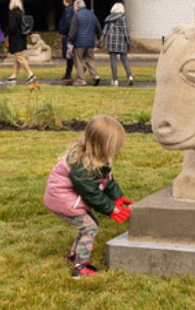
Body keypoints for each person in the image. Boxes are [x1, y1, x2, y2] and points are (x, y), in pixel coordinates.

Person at [43, 115, 133, 279]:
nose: (117, 149)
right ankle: (80, 268)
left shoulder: (96, 157)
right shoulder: (81, 165)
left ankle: (75, 255)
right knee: (89, 227)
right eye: (114, 145)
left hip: (68, 199)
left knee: (91, 224)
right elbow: (91, 193)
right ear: (102, 144)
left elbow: (106, 178)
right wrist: (111, 209)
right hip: (62, 201)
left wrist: (116, 197)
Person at [68, 0, 102, 86]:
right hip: (90, 42)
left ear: (76, 6)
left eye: (74, 7)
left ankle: (81, 80)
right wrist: (99, 39)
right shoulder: (92, 15)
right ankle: (95, 76)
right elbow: (98, 28)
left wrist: (70, 41)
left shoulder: (76, 15)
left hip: (79, 43)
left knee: (78, 60)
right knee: (90, 59)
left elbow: (73, 31)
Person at [100, 2, 134, 86]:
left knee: (113, 61)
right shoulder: (123, 18)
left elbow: (104, 31)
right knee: (125, 60)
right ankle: (130, 76)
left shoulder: (108, 19)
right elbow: (125, 32)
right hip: (121, 42)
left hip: (111, 42)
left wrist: (100, 40)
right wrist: (129, 42)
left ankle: (115, 80)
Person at [5, 0, 36, 84]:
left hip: (15, 38)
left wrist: (6, 33)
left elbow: (12, 26)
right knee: (18, 56)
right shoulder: (21, 13)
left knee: (19, 56)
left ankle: (30, 74)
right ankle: (14, 75)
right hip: (22, 37)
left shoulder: (12, 13)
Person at [59, 0, 75, 80]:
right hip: (70, 34)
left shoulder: (68, 10)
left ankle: (68, 73)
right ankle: (68, 73)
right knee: (70, 54)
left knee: (68, 54)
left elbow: (67, 23)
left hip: (68, 35)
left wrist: (63, 31)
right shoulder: (72, 9)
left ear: (65, 1)